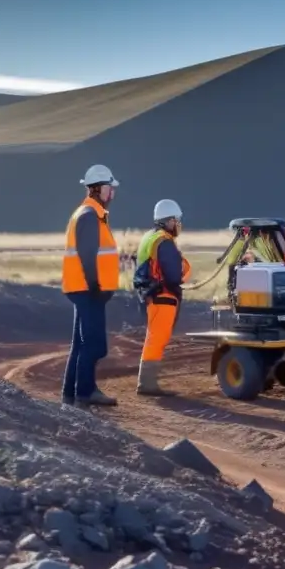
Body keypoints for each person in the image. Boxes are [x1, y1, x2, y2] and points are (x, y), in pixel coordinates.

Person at [61, 164, 121, 408]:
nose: (113, 193)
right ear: (98, 189)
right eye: (110, 188)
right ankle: (85, 393)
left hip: (83, 289)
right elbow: (87, 254)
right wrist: (96, 284)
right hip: (88, 291)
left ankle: (70, 393)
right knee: (94, 344)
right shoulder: (89, 215)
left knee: (80, 344)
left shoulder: (91, 214)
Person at [134, 198, 191, 396]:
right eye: (176, 220)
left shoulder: (149, 237)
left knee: (154, 338)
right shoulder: (164, 242)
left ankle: (147, 382)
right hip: (162, 297)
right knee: (157, 339)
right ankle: (147, 384)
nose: (178, 224)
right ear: (168, 221)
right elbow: (173, 275)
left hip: (150, 295)